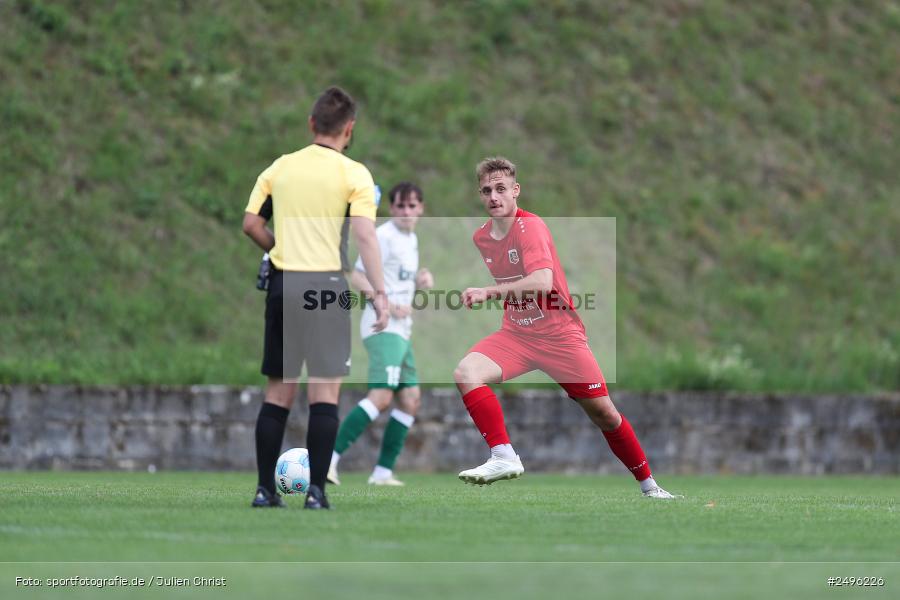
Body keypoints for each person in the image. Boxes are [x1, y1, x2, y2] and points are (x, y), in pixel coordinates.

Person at [454, 157, 677, 499]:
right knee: (467, 372)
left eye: (501, 189)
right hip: (517, 334)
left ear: (516, 191)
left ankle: (651, 488)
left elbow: (542, 283)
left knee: (605, 415)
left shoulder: (532, 228)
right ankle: (503, 456)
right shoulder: (482, 237)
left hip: (560, 336)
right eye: (486, 191)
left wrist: (489, 292)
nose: (493, 197)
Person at [242, 86, 388, 510]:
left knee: (277, 394)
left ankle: (264, 491)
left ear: (311, 124)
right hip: (327, 285)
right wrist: (379, 292)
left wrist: (277, 246)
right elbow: (363, 234)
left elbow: (251, 224)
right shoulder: (354, 174)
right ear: (349, 129)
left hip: (285, 284)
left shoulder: (280, 168)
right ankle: (316, 493)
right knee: (324, 394)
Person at [327, 182, 433, 487]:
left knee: (410, 398)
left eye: (412, 206)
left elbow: (396, 276)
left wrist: (419, 280)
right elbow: (357, 275)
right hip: (382, 327)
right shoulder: (384, 236)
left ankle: (382, 472)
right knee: (382, 395)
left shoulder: (410, 239)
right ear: (392, 208)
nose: (406, 212)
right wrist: (382, 301)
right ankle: (329, 460)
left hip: (402, 331)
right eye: (400, 206)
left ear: (421, 209)